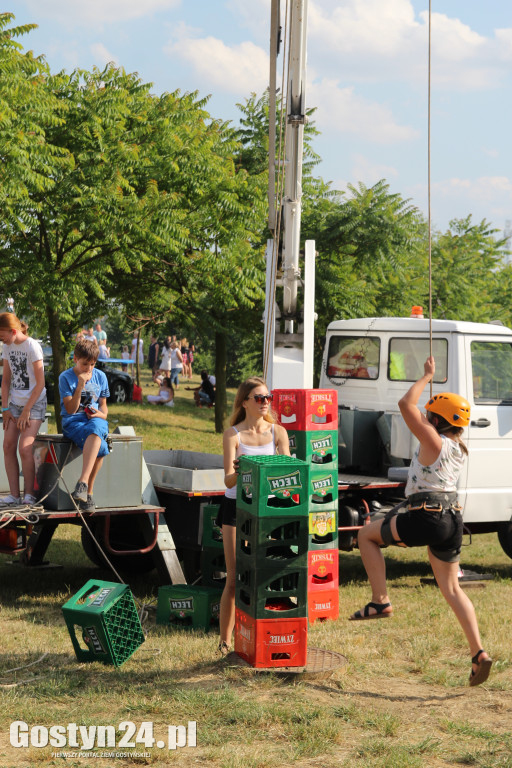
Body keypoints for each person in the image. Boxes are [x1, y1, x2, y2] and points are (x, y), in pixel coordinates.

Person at [349, 356, 492, 687]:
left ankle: (380, 601)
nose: (424, 417)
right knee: (452, 588)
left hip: (429, 516)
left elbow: (404, 403)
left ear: (436, 420)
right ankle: (478, 654)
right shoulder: (457, 446)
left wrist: (426, 377)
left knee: (366, 536)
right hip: (453, 519)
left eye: (430, 415)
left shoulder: (433, 439)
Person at [217, 376, 290, 656]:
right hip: (235, 509)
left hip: (268, 511)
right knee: (234, 579)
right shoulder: (232, 435)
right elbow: (228, 481)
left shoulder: (278, 433)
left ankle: (263, 637)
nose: (265, 403)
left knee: (266, 576)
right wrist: (243, 468)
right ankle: (224, 643)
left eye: (268, 398)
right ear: (245, 402)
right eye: (259, 398)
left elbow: (286, 473)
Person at [0, 313, 47, 506]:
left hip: (34, 404)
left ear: (13, 331)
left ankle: (29, 494)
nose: (0, 339)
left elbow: (41, 382)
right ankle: (14, 495)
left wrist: (27, 409)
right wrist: (5, 408)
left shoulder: (32, 346)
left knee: (25, 448)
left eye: (1, 335)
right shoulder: (7, 347)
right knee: (8, 446)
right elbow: (6, 380)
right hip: (15, 405)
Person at [59, 338, 110, 513]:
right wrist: (80, 386)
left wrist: (101, 414)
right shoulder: (65, 377)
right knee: (103, 447)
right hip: (73, 422)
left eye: (92, 364)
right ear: (75, 359)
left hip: (94, 420)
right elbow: (71, 410)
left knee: (97, 426)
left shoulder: (101, 377)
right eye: (84, 364)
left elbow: (103, 406)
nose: (88, 369)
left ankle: (82, 483)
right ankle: (88, 492)